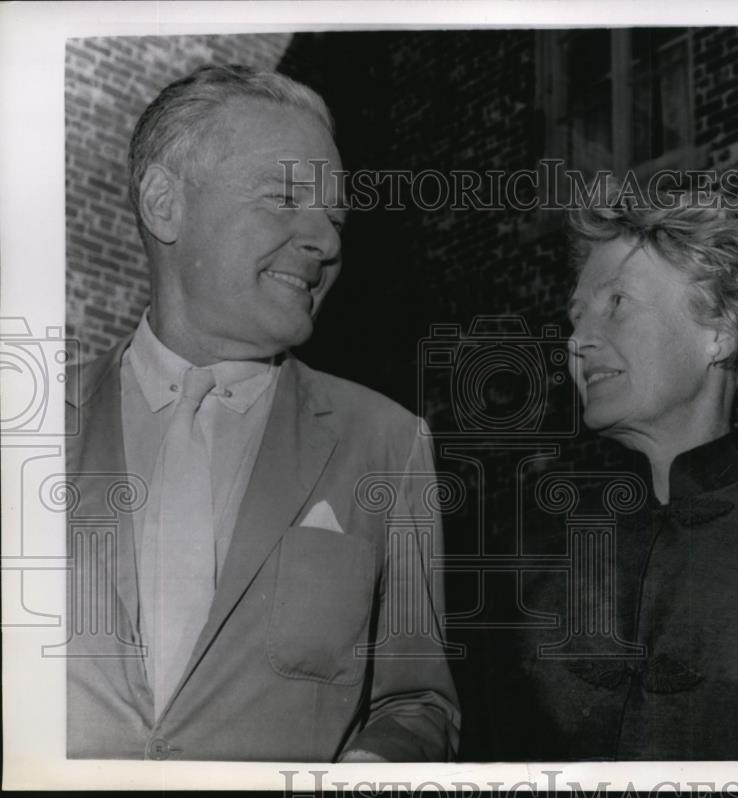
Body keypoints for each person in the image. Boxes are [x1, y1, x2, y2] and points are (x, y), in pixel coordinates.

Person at [64, 65, 459, 762]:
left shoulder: (387, 444)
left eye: (335, 217)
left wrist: (373, 767)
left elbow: (416, 703)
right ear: (164, 203)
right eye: (285, 199)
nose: (327, 242)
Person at [491, 188, 738, 760]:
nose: (578, 342)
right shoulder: (525, 556)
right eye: (575, 319)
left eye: (618, 304)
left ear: (719, 332)